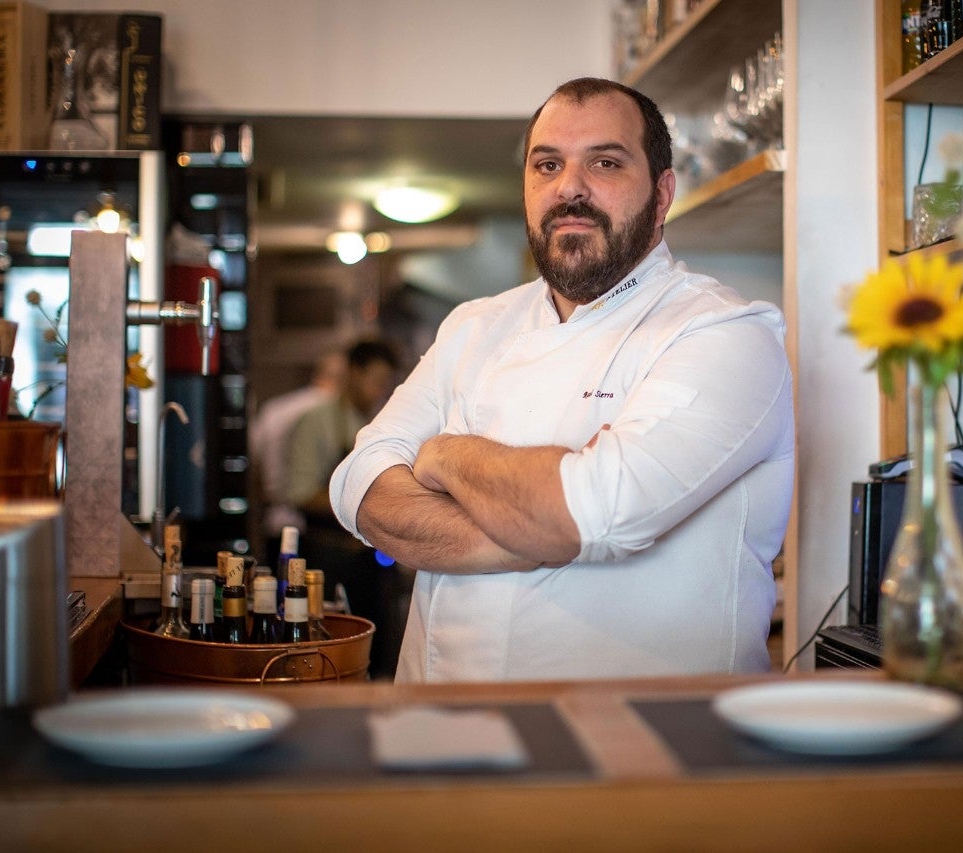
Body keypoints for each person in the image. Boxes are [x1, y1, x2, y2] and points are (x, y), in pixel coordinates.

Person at [330, 77, 795, 683]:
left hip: (642, 749)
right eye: (546, 164)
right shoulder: (475, 325)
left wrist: (444, 456)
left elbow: (595, 514)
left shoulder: (725, 333)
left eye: (604, 161)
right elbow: (360, 489)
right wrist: (535, 533)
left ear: (662, 193)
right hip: (443, 735)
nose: (569, 187)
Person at [287, 339, 407, 678]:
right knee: (336, 656)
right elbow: (299, 493)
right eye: (376, 380)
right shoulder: (316, 422)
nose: (381, 390)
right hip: (329, 558)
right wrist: (362, 502)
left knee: (377, 655)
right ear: (353, 373)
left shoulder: (377, 426)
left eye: (386, 383)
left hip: (370, 560)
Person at [250, 349, 346, 565]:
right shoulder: (331, 413)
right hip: (314, 528)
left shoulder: (275, 408)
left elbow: (254, 466)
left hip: (274, 521)